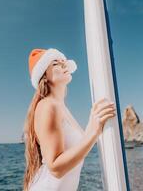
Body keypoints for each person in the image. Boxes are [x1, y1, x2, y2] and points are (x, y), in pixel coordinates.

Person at [23, 48, 117, 191]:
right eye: (55, 63)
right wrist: (93, 132)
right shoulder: (47, 105)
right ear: (44, 76)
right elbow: (55, 168)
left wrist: (92, 124)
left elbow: (78, 148)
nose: (63, 65)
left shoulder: (62, 108)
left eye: (63, 62)